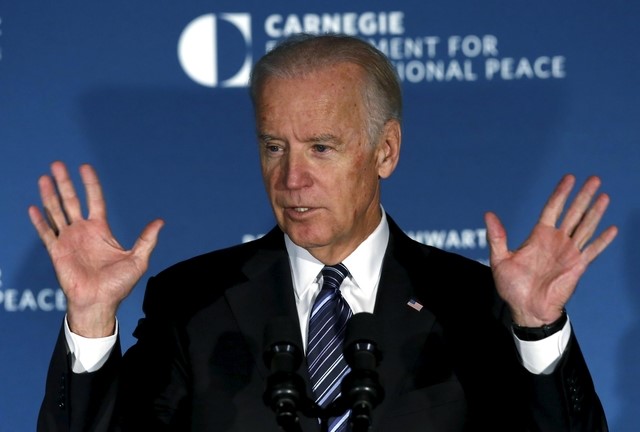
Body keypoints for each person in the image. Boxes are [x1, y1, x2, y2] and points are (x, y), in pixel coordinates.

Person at [32, 33, 617, 432]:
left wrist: (538, 331)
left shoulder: (469, 301)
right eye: (273, 147)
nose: (291, 178)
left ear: (384, 150)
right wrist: (89, 321)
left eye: (321, 148)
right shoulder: (193, 303)